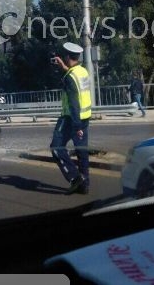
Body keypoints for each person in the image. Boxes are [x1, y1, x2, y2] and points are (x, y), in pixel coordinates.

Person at [50, 42, 92, 195]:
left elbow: (74, 103)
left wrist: (77, 127)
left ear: (67, 57)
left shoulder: (70, 78)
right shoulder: (82, 71)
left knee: (56, 147)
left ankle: (75, 178)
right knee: (82, 151)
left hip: (71, 119)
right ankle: (85, 185)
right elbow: (75, 80)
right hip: (85, 117)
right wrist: (64, 68)